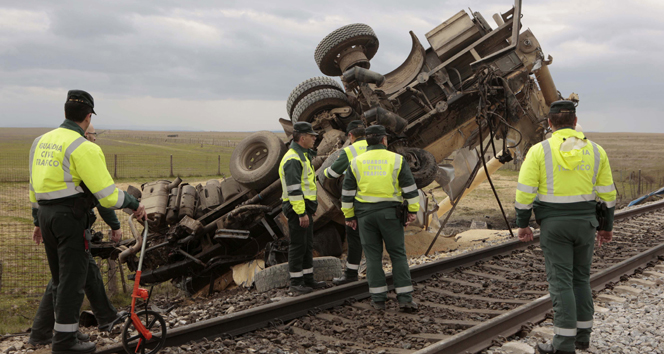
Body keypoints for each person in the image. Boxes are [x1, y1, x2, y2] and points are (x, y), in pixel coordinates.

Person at [29, 90, 146, 354]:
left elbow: (34, 188)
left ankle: (66, 332)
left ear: (65, 112)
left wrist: (37, 220)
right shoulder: (84, 147)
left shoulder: (40, 141)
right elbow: (106, 196)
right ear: (88, 116)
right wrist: (134, 204)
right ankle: (65, 342)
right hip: (69, 218)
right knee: (72, 281)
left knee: (60, 278)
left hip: (46, 217)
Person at [515, 100, 616, 354]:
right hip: (586, 224)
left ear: (549, 123)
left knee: (561, 283)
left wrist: (523, 224)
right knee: (580, 279)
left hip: (555, 226)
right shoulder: (596, 151)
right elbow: (608, 195)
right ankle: (583, 337)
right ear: (574, 121)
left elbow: (525, 192)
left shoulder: (539, 151)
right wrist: (606, 226)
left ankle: (562, 345)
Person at [340, 125, 420, 312]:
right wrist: (412, 211)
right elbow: (410, 190)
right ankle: (405, 300)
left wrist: (349, 216)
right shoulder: (397, 160)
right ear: (384, 140)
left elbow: (347, 193)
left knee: (373, 257)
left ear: (367, 140)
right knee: (398, 255)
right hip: (390, 214)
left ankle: (378, 300)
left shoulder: (356, 162)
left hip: (365, 217)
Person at [278, 121, 326, 295]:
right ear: (302, 137)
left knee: (306, 245)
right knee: (298, 245)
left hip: (304, 207)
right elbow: (294, 189)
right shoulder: (293, 159)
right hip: (298, 208)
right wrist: (301, 212)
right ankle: (296, 282)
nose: (315, 138)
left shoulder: (302, 155)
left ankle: (307, 279)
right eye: (312, 136)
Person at [323, 120, 368, 285]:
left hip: (357, 202)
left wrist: (325, 169)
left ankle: (350, 274)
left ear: (351, 135)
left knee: (354, 238)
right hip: (379, 202)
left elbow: (332, 174)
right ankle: (373, 270)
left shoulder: (350, 150)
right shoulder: (379, 149)